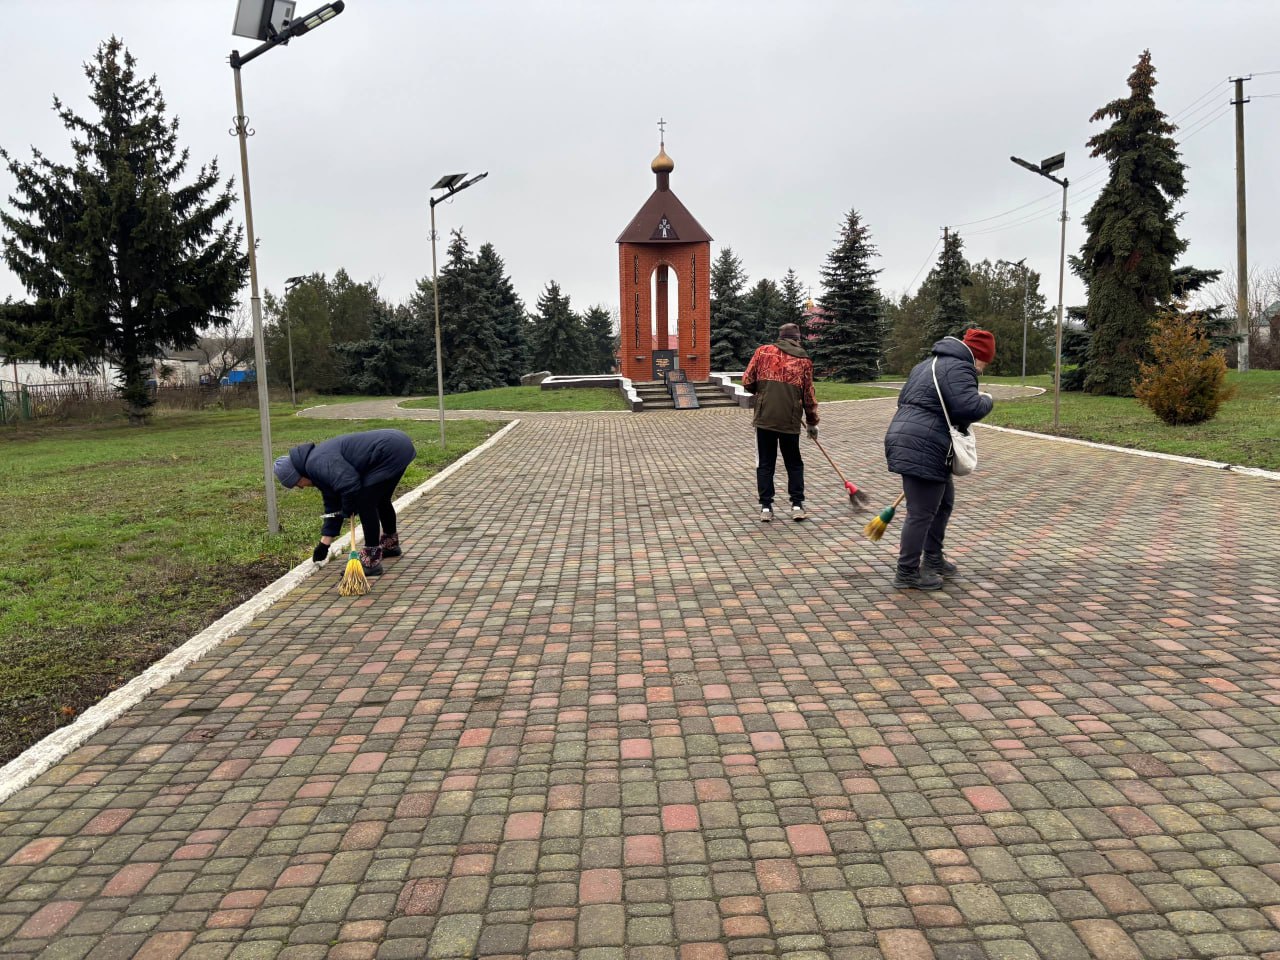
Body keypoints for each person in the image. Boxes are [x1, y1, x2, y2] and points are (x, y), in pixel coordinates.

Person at [883, 328, 995, 590]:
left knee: (943, 502)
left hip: (913, 438)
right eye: (985, 363)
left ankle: (933, 558)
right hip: (925, 443)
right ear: (978, 355)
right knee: (921, 512)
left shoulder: (926, 364)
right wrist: (987, 400)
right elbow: (969, 408)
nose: (982, 370)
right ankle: (907, 572)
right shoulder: (960, 368)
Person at [273, 428, 417, 576]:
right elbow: (333, 506)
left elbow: (349, 484)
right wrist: (324, 544)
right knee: (380, 499)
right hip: (399, 445)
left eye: (297, 483)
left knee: (366, 502)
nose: (301, 487)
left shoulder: (317, 463)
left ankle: (371, 561)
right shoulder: (316, 467)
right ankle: (390, 546)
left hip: (389, 450)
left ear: (298, 475)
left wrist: (348, 508)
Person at [742, 322, 820, 522]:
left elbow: (747, 381)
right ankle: (797, 505)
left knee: (765, 463)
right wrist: (812, 422)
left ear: (780, 337)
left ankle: (766, 507)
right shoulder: (804, 360)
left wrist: (763, 393)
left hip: (764, 417)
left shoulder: (762, 352)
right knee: (793, 462)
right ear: (797, 339)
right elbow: (808, 395)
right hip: (790, 419)